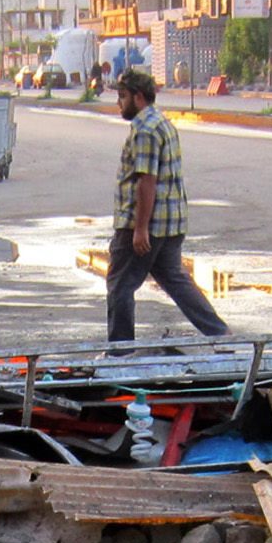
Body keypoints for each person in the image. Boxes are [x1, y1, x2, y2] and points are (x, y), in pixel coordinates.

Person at [105, 66, 228, 346]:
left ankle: (120, 353)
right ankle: (221, 335)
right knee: (176, 282)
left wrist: (140, 230)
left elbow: (147, 181)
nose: (118, 103)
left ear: (138, 97)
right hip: (171, 224)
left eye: (122, 97)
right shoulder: (162, 123)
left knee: (120, 286)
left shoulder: (145, 130)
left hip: (148, 226)